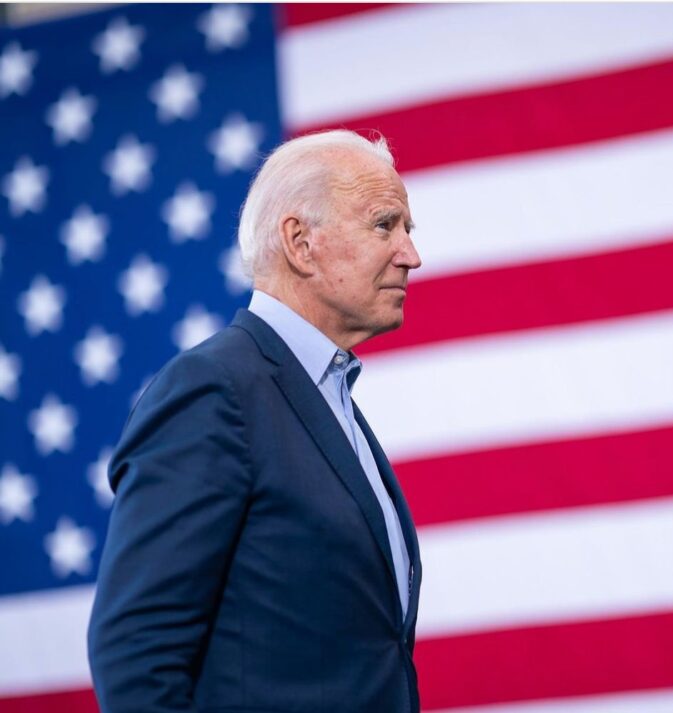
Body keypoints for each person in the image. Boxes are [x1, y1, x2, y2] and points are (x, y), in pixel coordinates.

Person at [87, 130, 424, 713]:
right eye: (383, 225)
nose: (410, 255)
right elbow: (135, 650)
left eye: (407, 231)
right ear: (300, 242)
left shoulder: (326, 394)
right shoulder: (214, 390)